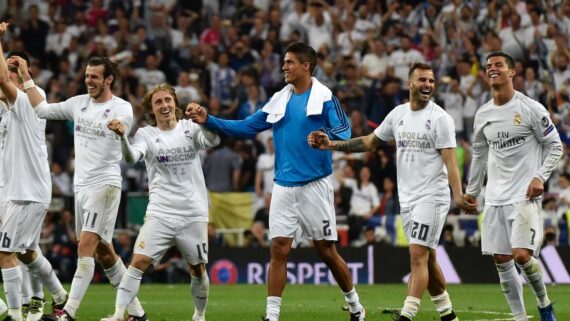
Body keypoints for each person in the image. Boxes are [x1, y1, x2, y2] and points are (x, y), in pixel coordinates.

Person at [187, 42, 365, 321]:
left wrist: (326, 137)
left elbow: (344, 130)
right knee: (279, 249)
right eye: (284, 62)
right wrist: (208, 119)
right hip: (283, 186)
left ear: (306, 66)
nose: (284, 66)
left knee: (327, 252)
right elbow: (246, 126)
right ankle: (272, 316)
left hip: (315, 185)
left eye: (290, 62)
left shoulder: (325, 97)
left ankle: (355, 306)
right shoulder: (280, 98)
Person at [308, 62, 476, 321]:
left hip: (432, 196)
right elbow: (369, 142)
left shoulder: (441, 119)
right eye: (422, 80)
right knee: (428, 258)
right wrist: (331, 144)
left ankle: (407, 315)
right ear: (409, 84)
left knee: (417, 255)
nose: (428, 85)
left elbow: (451, 161)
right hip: (407, 198)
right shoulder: (398, 115)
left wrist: (457, 194)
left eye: (431, 81)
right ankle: (448, 315)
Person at [17, 55, 147, 321]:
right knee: (103, 251)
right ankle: (137, 313)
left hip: (105, 185)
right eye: (87, 75)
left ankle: (68, 313)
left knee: (86, 245)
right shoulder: (79, 104)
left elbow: (126, 143)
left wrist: (121, 132)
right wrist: (25, 77)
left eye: (94, 76)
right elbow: (42, 110)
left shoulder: (122, 108)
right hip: (82, 187)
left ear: (108, 79)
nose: (88, 80)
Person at [101, 84, 219, 321]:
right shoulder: (145, 134)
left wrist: (205, 120)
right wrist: (123, 137)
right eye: (158, 102)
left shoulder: (190, 127)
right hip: (161, 212)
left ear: (175, 104)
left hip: (193, 212)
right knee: (138, 262)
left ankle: (199, 315)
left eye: (168, 100)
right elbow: (132, 157)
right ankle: (118, 314)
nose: (164, 105)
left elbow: (213, 140)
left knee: (197, 269)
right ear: (151, 110)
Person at [464, 51, 561, 321]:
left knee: (520, 255)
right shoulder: (483, 114)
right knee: (501, 260)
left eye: (498, 65)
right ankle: (519, 317)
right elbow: (479, 155)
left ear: (512, 72)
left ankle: (544, 305)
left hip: (524, 196)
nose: (492, 69)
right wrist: (472, 192)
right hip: (494, 197)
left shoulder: (531, 108)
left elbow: (555, 146)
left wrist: (540, 176)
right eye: (488, 66)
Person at [0, 22, 68, 321]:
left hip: (26, 192)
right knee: (26, 251)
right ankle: (59, 294)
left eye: (11, 74)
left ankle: (14, 313)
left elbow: (3, 79)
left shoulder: (28, 98)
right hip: (19, 189)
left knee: (5, 253)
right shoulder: (9, 107)